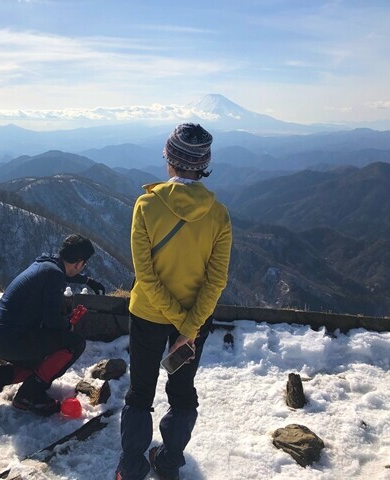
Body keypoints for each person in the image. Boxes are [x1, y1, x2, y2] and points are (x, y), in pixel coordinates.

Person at [116, 123, 232, 480]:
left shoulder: (147, 205)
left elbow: (145, 276)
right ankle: (167, 464)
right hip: (193, 325)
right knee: (182, 392)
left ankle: (132, 468)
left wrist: (175, 319)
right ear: (203, 164)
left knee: (140, 391)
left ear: (170, 158)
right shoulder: (219, 215)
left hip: (148, 315)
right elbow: (216, 281)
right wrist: (189, 327)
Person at [0, 233, 106, 416]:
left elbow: (63, 275)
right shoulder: (54, 276)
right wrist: (69, 326)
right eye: (84, 264)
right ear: (79, 263)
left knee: (42, 361)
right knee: (75, 343)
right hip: (13, 342)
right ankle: (29, 395)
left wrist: (87, 280)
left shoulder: (45, 264)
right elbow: (53, 320)